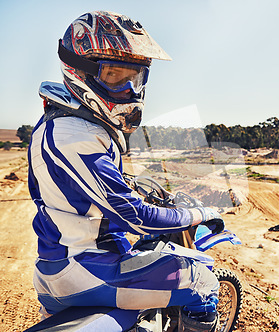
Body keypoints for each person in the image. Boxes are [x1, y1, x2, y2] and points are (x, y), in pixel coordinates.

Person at [28, 11, 223, 332]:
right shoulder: (78, 135)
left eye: (136, 78)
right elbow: (137, 217)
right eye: (114, 75)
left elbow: (76, 182)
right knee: (202, 281)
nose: (130, 91)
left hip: (53, 267)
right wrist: (197, 214)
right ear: (81, 70)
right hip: (89, 269)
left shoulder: (57, 122)